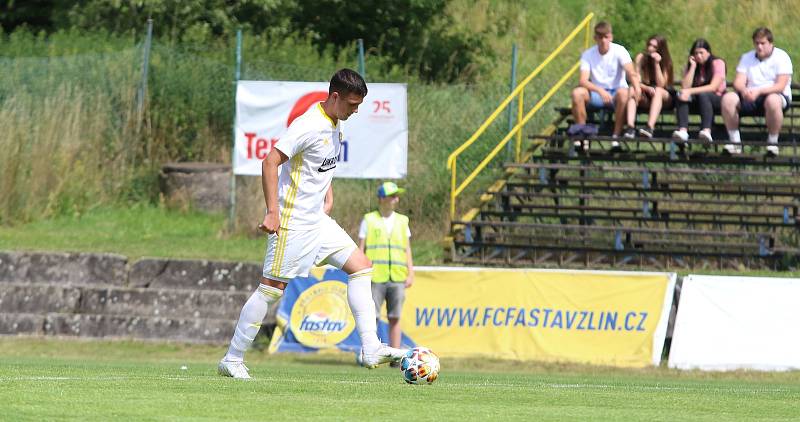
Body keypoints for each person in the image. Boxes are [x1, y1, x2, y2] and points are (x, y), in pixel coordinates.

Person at [218, 69, 407, 379]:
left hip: (318, 221)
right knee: (271, 290)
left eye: (358, 105)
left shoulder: (335, 124)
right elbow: (270, 161)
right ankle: (233, 358)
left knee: (361, 267)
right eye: (351, 104)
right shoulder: (308, 125)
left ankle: (371, 347)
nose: (355, 111)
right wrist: (272, 212)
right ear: (334, 97)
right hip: (292, 222)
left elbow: (319, 165)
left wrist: (326, 194)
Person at [358, 182, 415, 367]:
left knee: (395, 317)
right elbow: (361, 248)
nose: (396, 199)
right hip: (375, 276)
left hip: (397, 276)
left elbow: (407, 249)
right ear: (382, 198)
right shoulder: (368, 219)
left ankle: (396, 360)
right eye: (392, 196)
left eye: (397, 196)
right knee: (371, 317)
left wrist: (410, 272)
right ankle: (369, 354)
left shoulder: (403, 220)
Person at [721, 27, 793, 156]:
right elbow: (738, 81)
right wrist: (744, 91)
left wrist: (759, 91)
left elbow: (780, 85)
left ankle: (772, 143)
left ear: (771, 43)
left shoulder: (782, 57)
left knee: (772, 100)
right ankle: (735, 142)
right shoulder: (747, 57)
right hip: (750, 96)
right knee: (728, 98)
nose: (759, 47)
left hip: (776, 96)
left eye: (763, 43)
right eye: (756, 43)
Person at [571, 21, 641, 152]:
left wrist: (637, 88)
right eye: (600, 37)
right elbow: (583, 80)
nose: (603, 40)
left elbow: (631, 72)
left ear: (611, 37)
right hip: (597, 93)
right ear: (595, 38)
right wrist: (600, 91)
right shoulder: (588, 54)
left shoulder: (620, 51)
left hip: (617, 93)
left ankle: (616, 137)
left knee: (623, 93)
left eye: (606, 37)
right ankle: (582, 134)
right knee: (577, 93)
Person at [671, 39, 727, 144]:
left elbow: (713, 87)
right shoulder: (693, 65)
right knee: (681, 94)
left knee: (703, 95)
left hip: (717, 98)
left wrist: (689, 91)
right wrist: (692, 67)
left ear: (708, 53)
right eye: (696, 53)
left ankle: (706, 131)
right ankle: (683, 131)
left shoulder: (718, 63)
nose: (698, 56)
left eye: (701, 53)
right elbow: (685, 87)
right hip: (699, 100)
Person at [624, 35, 674, 140]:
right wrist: (646, 88)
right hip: (646, 94)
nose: (650, 48)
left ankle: (649, 127)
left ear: (660, 49)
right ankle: (630, 127)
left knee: (659, 91)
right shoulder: (641, 58)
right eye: (649, 45)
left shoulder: (666, 62)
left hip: (663, 97)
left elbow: (662, 85)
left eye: (654, 47)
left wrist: (657, 64)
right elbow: (636, 81)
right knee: (632, 89)